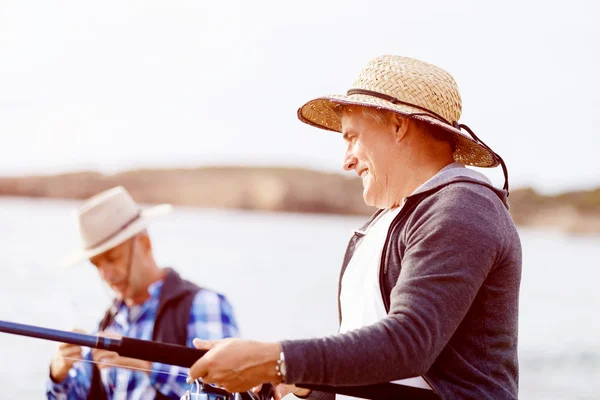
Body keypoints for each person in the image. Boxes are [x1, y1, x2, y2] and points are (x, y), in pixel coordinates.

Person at [185, 55, 522, 400]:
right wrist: (301, 385)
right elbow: (371, 380)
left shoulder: (463, 207)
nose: (346, 160)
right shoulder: (384, 224)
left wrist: (275, 360)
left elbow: (409, 344)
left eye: (352, 137)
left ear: (397, 125)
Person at [46, 186, 240, 400]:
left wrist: (149, 366)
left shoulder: (204, 304)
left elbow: (224, 391)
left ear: (145, 244)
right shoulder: (107, 322)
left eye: (112, 258)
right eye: (96, 264)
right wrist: (59, 374)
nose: (106, 274)